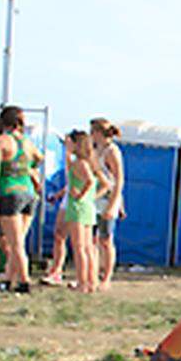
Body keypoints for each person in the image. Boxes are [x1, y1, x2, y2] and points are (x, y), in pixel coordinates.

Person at [0, 106, 42, 294]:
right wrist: (26, 169)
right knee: (18, 241)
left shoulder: (0, 141)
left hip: (9, 193)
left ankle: (24, 282)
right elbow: (38, 159)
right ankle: (8, 280)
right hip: (28, 192)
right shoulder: (27, 142)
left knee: (15, 243)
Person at [62, 130, 108, 293]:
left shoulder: (79, 163)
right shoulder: (90, 162)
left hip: (78, 207)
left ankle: (83, 282)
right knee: (88, 247)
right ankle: (91, 281)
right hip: (88, 207)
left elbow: (88, 180)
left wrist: (80, 194)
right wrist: (90, 196)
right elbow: (105, 184)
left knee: (80, 247)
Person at [90, 118, 124, 291]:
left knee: (106, 239)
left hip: (107, 199)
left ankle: (107, 277)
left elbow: (119, 180)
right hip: (94, 198)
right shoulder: (95, 149)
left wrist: (114, 205)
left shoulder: (112, 152)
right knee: (92, 239)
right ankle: (92, 275)